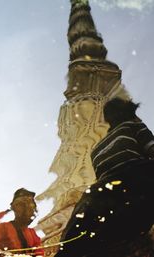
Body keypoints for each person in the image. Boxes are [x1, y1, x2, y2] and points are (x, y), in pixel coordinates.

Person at [55, 97, 154, 257]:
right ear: (131, 114)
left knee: (74, 244)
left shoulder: (96, 149)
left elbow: (106, 177)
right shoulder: (134, 125)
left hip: (98, 193)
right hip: (136, 177)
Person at [0, 188, 44, 257]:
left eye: (31, 205)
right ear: (14, 207)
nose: (29, 209)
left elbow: (39, 253)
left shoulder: (32, 234)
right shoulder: (2, 228)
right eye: (23, 205)